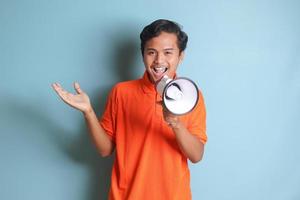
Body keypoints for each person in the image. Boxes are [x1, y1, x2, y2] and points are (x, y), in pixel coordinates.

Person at [52, 19, 207, 200]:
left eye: (168, 53)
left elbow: (196, 155)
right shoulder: (122, 92)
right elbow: (105, 149)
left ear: (181, 56)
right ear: (143, 55)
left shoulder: (192, 97)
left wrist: (175, 123)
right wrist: (88, 112)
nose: (159, 60)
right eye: (151, 52)